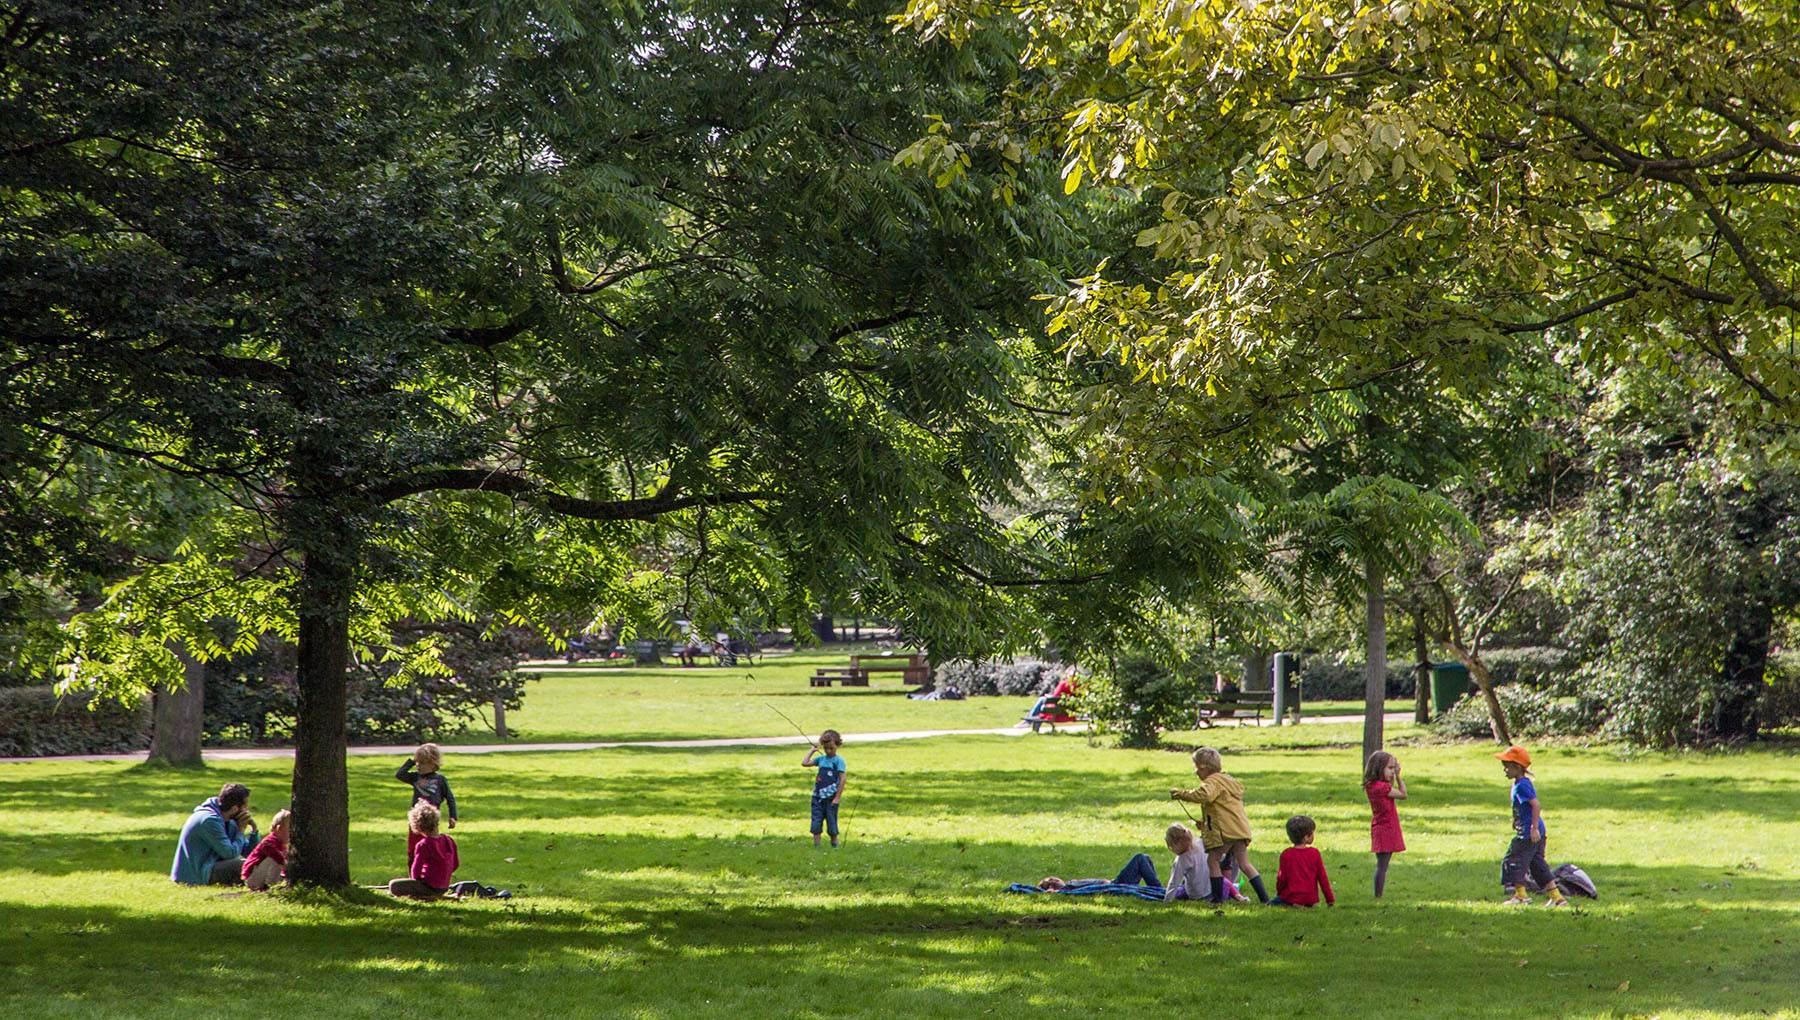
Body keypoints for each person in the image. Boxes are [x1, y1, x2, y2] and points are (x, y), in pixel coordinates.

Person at [1171, 746, 1269, 903]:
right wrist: (1204, 824)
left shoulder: (1212, 782)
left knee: (1213, 861)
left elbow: (1205, 796)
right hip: (1240, 830)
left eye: (1196, 768)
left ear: (1204, 767)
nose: (1195, 772)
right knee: (1245, 864)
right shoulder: (1229, 781)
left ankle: (1217, 899)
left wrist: (1182, 794)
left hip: (1225, 833)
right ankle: (1265, 898)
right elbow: (1223, 811)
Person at [1497, 745, 1568, 907]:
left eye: (1507, 767)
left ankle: (1520, 896)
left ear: (1517, 767)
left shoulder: (1522, 786)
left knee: (1513, 860)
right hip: (1534, 831)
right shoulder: (1522, 783)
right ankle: (1557, 898)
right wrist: (1516, 819)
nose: (1504, 770)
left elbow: (1535, 805)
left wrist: (1533, 828)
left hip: (1529, 833)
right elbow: (1522, 807)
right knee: (1538, 866)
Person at [171, 782, 258, 885]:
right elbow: (229, 853)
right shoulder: (209, 820)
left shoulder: (229, 819)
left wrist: (254, 832)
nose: (246, 811)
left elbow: (247, 852)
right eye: (245, 807)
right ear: (235, 808)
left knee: (254, 862)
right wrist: (241, 831)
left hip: (212, 865)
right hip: (196, 874)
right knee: (243, 865)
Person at [389, 802, 459, 900]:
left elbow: (415, 870)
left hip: (429, 886)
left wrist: (418, 882)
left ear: (417, 827)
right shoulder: (449, 840)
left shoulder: (423, 844)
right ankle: (436, 895)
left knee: (394, 885)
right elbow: (455, 864)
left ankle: (427, 897)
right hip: (444, 886)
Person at [1364, 750, 1407, 898]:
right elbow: (1403, 794)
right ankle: (1378, 896)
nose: (1392, 772)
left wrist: (1392, 776)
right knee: (1382, 866)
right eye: (1389, 768)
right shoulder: (1383, 788)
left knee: (1381, 864)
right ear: (1379, 767)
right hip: (1387, 828)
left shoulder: (1372, 785)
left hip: (1379, 826)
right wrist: (1399, 777)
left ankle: (1378, 895)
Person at [1269, 815, 1335, 907]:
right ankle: (1306, 904)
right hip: (1311, 899)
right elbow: (1323, 878)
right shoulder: (1315, 853)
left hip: (1291, 897)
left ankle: (1295, 904)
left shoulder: (1286, 854)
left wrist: (1280, 893)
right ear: (1306, 837)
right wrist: (1330, 899)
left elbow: (1282, 879)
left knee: (1270, 903)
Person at [395, 742, 457, 831]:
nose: (418, 765)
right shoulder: (415, 777)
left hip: (432, 819)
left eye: (422, 763)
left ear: (433, 763)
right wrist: (412, 761)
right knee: (414, 841)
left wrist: (453, 816)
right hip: (417, 818)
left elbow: (450, 798)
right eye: (417, 762)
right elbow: (399, 775)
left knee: (431, 841)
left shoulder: (440, 780)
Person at [801, 729, 846, 847]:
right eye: (825, 748)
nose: (828, 751)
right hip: (817, 798)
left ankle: (834, 845)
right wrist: (812, 751)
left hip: (831, 799)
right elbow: (805, 763)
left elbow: (842, 779)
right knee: (816, 823)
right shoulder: (821, 760)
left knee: (832, 824)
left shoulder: (838, 761)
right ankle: (817, 846)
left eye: (831, 748)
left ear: (838, 745)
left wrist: (837, 797)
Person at [241, 808, 291, 891]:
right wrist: (284, 864)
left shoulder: (282, 844)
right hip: (252, 877)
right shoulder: (269, 842)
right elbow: (275, 855)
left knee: (281, 858)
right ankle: (272, 884)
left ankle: (275, 882)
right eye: (289, 830)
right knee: (275, 858)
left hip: (259, 875)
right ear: (279, 829)